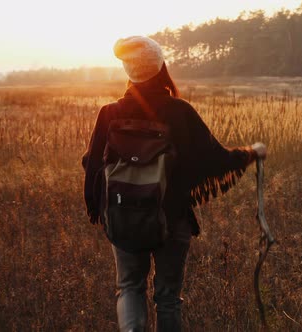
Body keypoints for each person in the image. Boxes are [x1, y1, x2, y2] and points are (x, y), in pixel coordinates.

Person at [82, 36, 267, 332]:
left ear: (129, 71)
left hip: (121, 215)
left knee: (130, 287)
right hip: (172, 216)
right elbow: (215, 159)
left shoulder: (110, 113)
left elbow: (91, 164)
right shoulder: (180, 112)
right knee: (168, 297)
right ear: (159, 67)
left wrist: (101, 204)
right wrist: (251, 153)